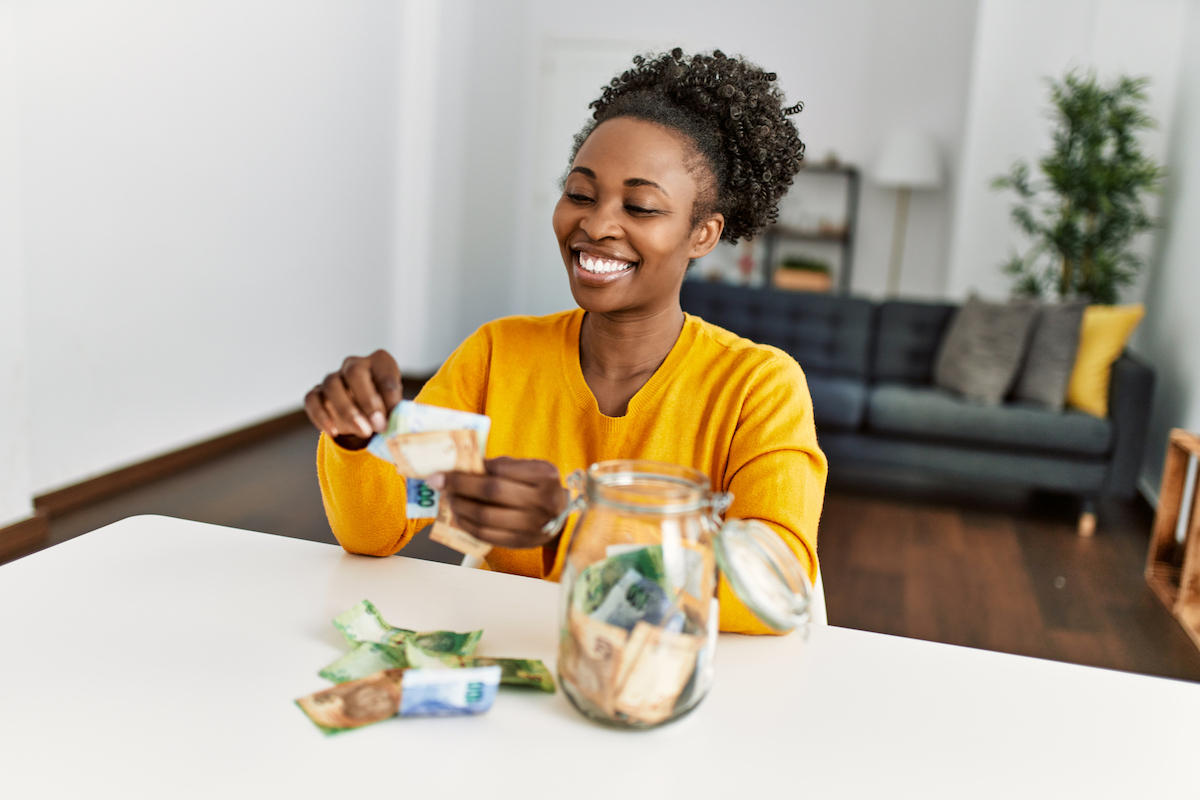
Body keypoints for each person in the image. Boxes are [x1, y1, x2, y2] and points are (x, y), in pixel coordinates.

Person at [305, 49, 826, 635]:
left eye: (641, 206)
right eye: (580, 193)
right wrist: (357, 438)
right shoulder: (499, 355)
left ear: (701, 233)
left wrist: (574, 528)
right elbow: (373, 534)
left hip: (669, 689)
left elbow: (778, 585)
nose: (598, 224)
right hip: (520, 665)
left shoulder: (759, 386)